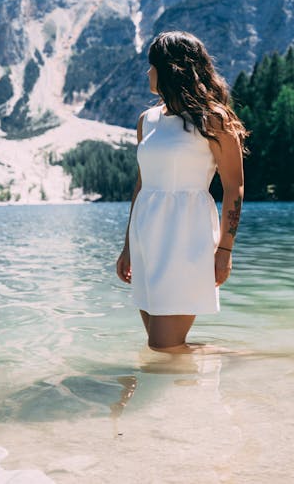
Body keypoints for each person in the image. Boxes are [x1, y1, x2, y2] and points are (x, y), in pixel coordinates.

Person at [116, 30, 247, 353]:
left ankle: (234, 361)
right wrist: (128, 246)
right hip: (147, 236)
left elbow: (234, 188)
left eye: (152, 65)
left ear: (172, 69)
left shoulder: (214, 120)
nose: (147, 73)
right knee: (158, 346)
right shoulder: (146, 120)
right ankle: (220, 362)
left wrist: (225, 251)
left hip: (188, 237)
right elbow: (142, 183)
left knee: (164, 345)